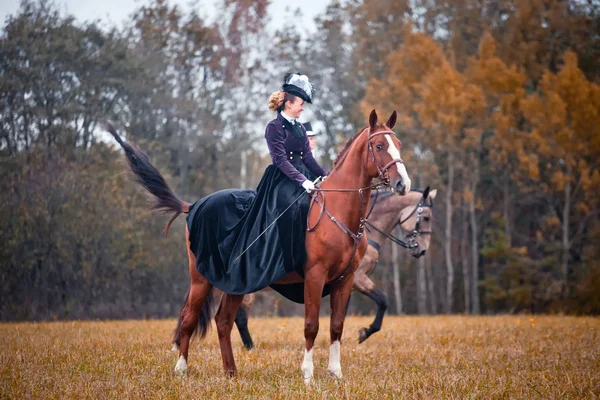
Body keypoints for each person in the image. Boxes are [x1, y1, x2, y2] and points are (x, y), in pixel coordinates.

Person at [186, 73, 329, 302]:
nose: (303, 109)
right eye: (301, 104)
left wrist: (329, 177)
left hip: (305, 176)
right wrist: (303, 181)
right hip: (282, 181)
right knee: (292, 207)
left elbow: (309, 160)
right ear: (289, 103)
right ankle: (287, 257)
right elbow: (280, 161)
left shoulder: (301, 129)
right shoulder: (274, 128)